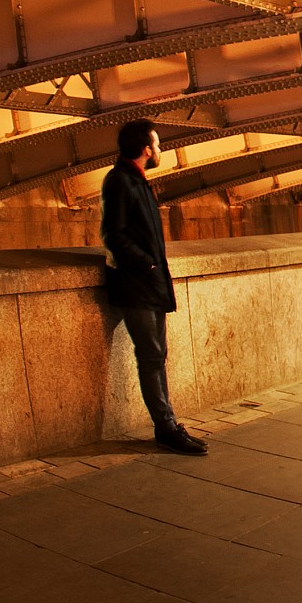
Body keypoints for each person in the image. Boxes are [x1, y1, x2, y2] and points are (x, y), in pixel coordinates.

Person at [99, 119, 207, 454]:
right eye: (157, 145)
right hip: (137, 286)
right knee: (150, 356)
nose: (160, 150)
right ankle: (165, 427)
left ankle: (170, 423)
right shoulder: (120, 181)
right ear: (146, 149)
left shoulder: (136, 181)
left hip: (148, 284)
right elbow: (113, 234)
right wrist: (146, 264)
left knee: (157, 356)